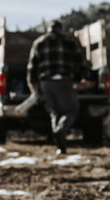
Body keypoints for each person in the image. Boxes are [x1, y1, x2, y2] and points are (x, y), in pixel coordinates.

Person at [27, 20, 88, 153]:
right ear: (60, 29)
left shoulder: (39, 43)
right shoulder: (69, 42)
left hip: (46, 83)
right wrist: (78, 79)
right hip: (64, 81)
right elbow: (80, 62)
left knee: (55, 112)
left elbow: (32, 66)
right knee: (71, 110)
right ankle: (60, 131)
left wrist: (32, 83)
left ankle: (60, 146)